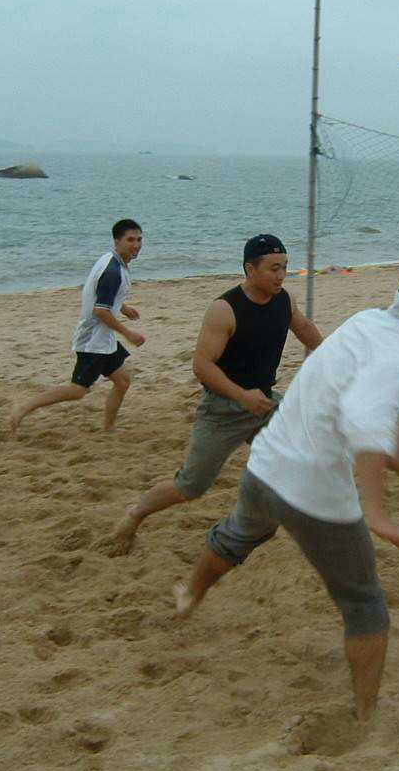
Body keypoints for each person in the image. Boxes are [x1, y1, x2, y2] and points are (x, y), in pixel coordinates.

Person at [174, 252, 399, 722]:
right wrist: (375, 511)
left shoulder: (366, 321)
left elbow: (375, 417)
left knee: (239, 534)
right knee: (365, 604)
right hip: (313, 494)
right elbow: (368, 419)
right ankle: (365, 715)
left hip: (265, 465)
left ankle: (189, 595)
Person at [100, 234, 323, 555]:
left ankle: (286, 520)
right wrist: (242, 396)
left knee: (305, 451)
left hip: (264, 403)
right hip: (223, 410)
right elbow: (202, 366)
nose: (281, 276)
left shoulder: (284, 300)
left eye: (285, 267)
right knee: (190, 486)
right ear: (250, 269)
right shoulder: (225, 309)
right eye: (274, 269)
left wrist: (330, 358)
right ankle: (135, 514)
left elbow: (304, 329)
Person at [8, 219, 144, 434]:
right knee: (78, 390)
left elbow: (100, 296)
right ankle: (24, 407)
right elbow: (101, 311)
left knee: (123, 381)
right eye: (130, 240)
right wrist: (128, 333)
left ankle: (108, 428)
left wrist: (124, 308)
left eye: (139, 239)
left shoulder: (112, 260)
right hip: (93, 341)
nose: (136, 245)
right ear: (117, 241)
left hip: (104, 339)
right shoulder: (112, 271)